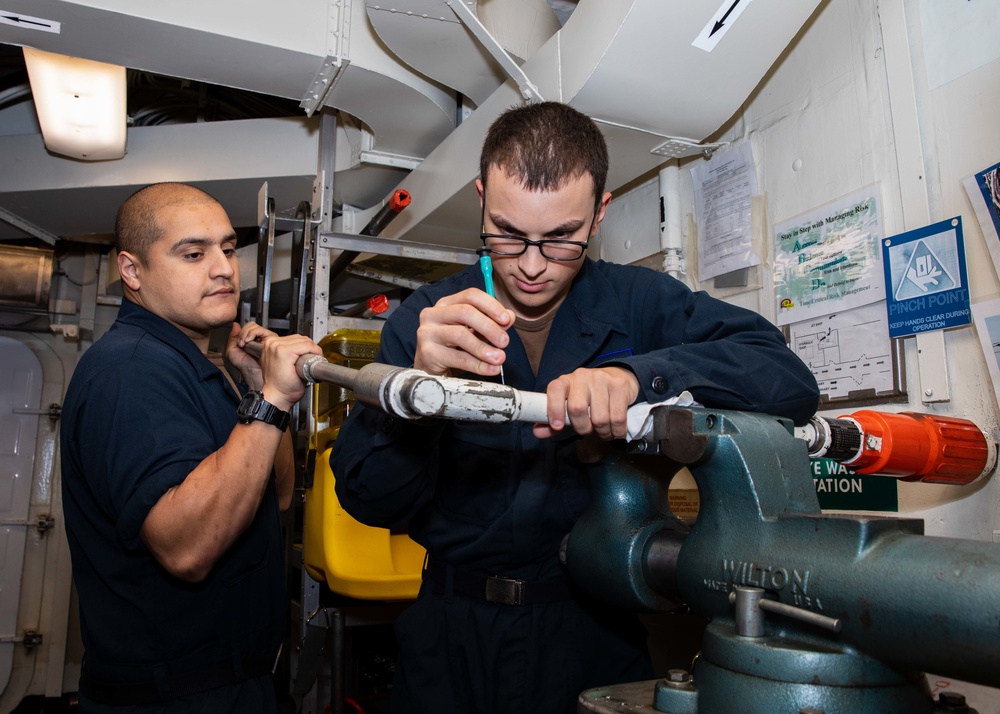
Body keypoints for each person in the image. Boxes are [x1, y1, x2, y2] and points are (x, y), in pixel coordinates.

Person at [330, 102, 820, 713]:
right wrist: (417, 392)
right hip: (448, 637)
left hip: (592, 633)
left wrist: (639, 375)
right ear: (481, 198)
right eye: (507, 233)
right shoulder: (427, 323)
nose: (532, 265)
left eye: (561, 238)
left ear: (600, 213)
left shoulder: (641, 302)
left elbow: (787, 379)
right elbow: (368, 501)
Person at [61, 183, 322, 712]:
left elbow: (273, 498)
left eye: (227, 249)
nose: (225, 267)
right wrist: (271, 399)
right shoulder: (133, 370)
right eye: (193, 253)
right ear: (132, 272)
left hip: (229, 686)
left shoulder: (190, 366)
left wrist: (255, 392)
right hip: (176, 698)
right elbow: (188, 549)